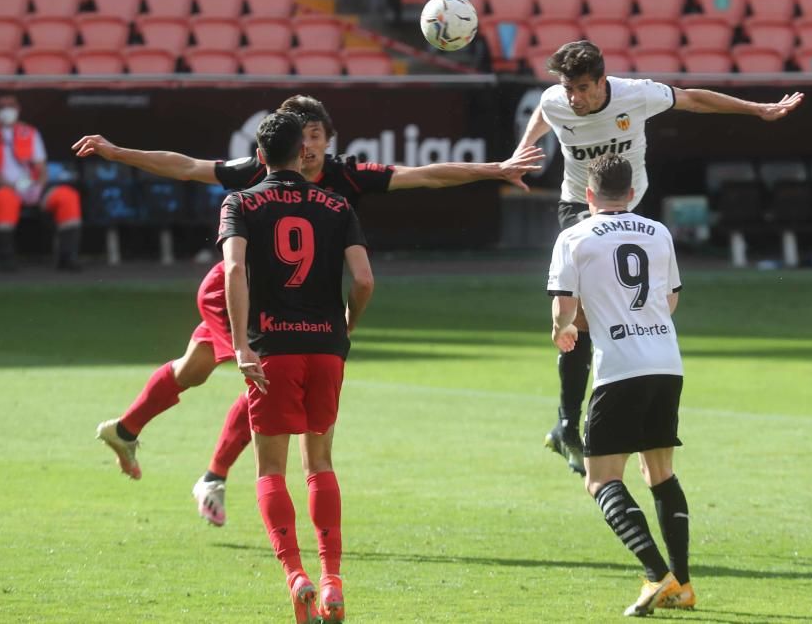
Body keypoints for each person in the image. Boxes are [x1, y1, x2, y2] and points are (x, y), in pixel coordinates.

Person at [78, 95, 543, 526]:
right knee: (267, 374)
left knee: (196, 368)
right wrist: (119, 153)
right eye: (301, 134)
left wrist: (497, 169)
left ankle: (125, 428)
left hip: (281, 295)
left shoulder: (345, 176)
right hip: (236, 289)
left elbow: (424, 175)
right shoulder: (258, 169)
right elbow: (185, 167)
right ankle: (213, 477)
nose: (308, 144)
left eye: (316, 134)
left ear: (327, 139)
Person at [515, 40, 804, 477]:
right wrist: (524, 148)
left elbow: (693, 100)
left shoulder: (636, 94)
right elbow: (546, 109)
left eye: (583, 88)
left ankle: (574, 421)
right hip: (578, 208)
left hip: (628, 208)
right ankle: (571, 422)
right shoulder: (558, 101)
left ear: (603, 80)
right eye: (568, 88)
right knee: (583, 319)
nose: (574, 98)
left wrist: (754, 109)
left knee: (617, 316)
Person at [219, 111, 371, 623]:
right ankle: (332, 580)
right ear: (300, 153)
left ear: (260, 156)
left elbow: (235, 269)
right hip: (326, 346)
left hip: (272, 348)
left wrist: (241, 345)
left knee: (270, 470)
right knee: (320, 463)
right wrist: (348, 322)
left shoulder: (240, 201)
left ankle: (296, 576)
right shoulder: (336, 204)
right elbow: (365, 280)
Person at [548, 154, 693, 616]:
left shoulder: (574, 236)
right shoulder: (658, 232)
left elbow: (563, 310)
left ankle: (656, 575)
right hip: (666, 362)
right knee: (660, 473)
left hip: (620, 367)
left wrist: (564, 330)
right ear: (632, 193)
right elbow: (668, 301)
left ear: (588, 195)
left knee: (601, 478)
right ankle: (684, 584)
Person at [0, 94, 82, 271]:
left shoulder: (30, 133)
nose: (7, 110)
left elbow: (41, 167)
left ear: (18, 109)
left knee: (67, 196)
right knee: (6, 199)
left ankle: (68, 258)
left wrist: (38, 187)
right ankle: (7, 261)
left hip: (31, 188)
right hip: (2, 187)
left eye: (10, 106)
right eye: (2, 106)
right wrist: (12, 187)